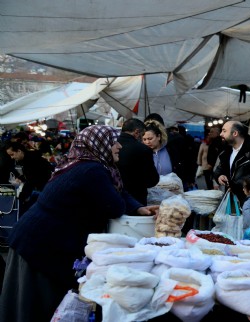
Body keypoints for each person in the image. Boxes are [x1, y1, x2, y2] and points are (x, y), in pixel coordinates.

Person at [0, 125, 158, 322]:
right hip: (39, 245)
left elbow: (117, 192)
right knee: (34, 305)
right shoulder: (91, 170)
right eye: (113, 142)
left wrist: (138, 208)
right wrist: (128, 205)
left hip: (39, 239)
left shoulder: (87, 164)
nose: (119, 146)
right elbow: (114, 205)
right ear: (99, 145)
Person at [214, 121, 250, 205]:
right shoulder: (227, 151)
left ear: (235, 133)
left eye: (224, 131)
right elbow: (219, 169)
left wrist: (236, 185)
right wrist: (219, 176)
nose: (221, 134)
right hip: (232, 199)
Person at [117, 118, 159, 205]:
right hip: (136, 199)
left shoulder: (111, 144)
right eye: (142, 135)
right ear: (136, 132)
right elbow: (152, 179)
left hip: (115, 197)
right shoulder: (143, 149)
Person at [5, 141, 53, 215]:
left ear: (19, 151)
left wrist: (21, 197)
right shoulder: (22, 160)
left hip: (45, 187)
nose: (12, 157)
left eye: (12, 154)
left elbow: (32, 180)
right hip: (39, 186)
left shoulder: (32, 159)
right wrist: (21, 178)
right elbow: (27, 175)